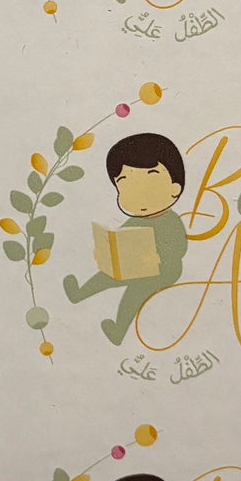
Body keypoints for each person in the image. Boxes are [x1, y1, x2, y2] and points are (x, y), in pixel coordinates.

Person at [63, 131, 188, 345]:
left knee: (135, 292)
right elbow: (123, 238)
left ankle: (118, 330)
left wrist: (159, 258)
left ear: (175, 188)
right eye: (124, 184)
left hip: (164, 271)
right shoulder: (136, 220)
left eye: (150, 181)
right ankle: (80, 293)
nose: (137, 194)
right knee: (108, 274)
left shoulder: (170, 221)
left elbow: (179, 248)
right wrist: (107, 251)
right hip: (134, 264)